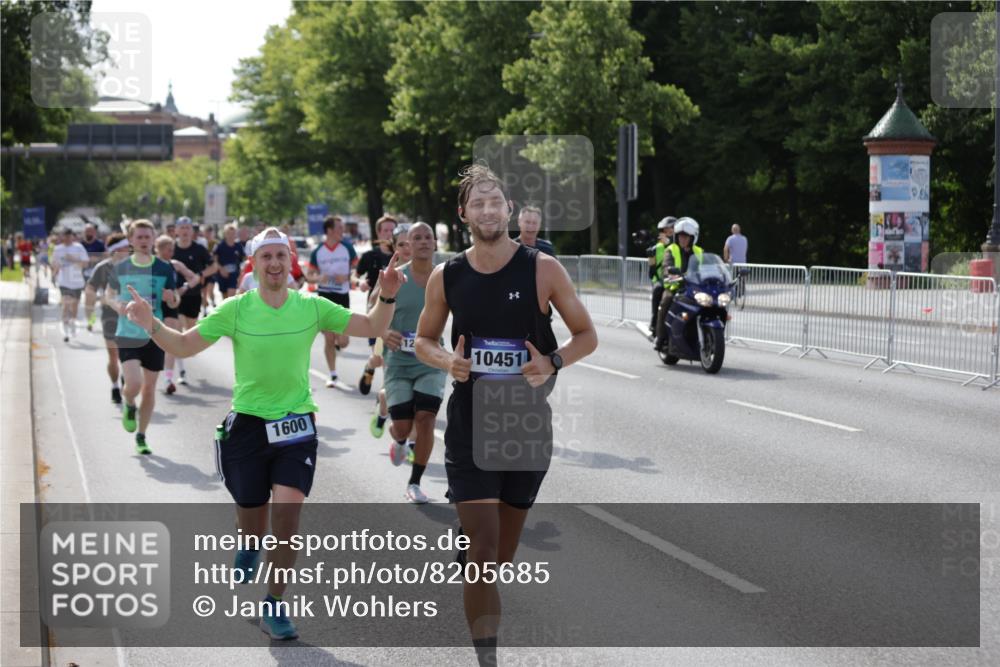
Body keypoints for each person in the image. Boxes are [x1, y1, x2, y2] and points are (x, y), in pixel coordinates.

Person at [122, 226, 405, 640]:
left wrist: (390, 293)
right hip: (248, 428)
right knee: (252, 520)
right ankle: (251, 544)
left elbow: (372, 324)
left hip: (296, 426)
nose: (275, 264)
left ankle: (274, 602)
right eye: (267, 257)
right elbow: (182, 346)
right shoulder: (236, 309)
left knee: (287, 519)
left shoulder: (311, 306)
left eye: (281, 256)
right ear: (254, 263)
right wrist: (151, 325)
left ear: (291, 262)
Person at [415, 165, 597, 667]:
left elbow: (586, 334)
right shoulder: (446, 275)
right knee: (481, 561)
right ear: (463, 213)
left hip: (525, 430)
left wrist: (552, 362)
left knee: (497, 561)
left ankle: (473, 553)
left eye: (496, 201)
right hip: (471, 427)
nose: (488, 210)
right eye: (478, 203)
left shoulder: (542, 269)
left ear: (509, 209)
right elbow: (425, 341)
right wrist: (447, 361)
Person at [369, 223, 444, 503]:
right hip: (399, 362)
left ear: (435, 243)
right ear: (407, 245)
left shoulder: (445, 276)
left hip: (432, 359)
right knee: (402, 426)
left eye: (427, 237)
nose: (423, 242)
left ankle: (414, 483)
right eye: (416, 238)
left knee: (426, 419)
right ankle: (399, 438)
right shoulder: (396, 277)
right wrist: (383, 331)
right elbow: (373, 310)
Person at [103, 220, 178, 454]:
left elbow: (175, 300)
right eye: (140, 237)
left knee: (149, 389)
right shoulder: (121, 268)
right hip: (127, 334)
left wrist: (171, 297)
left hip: (154, 334)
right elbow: (109, 295)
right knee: (134, 384)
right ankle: (128, 402)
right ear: (132, 240)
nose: (144, 241)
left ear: (154, 238)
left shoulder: (165, 268)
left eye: (148, 237)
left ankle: (142, 436)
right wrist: (119, 306)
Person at [306, 216, 357, 388]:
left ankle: (337, 344)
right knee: (329, 338)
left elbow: (357, 269)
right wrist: (320, 277)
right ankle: (333, 374)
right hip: (325, 296)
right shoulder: (318, 251)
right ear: (329, 230)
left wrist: (349, 276)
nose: (342, 231)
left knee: (343, 341)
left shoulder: (347, 248)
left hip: (342, 296)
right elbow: (309, 276)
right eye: (339, 228)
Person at [84, 234, 131, 404]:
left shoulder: (136, 266)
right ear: (117, 250)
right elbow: (89, 289)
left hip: (131, 317)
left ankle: (127, 377)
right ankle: (114, 386)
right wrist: (91, 310)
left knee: (129, 354)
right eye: (126, 247)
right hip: (110, 317)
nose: (129, 250)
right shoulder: (102, 268)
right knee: (113, 356)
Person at [171, 216, 218, 385]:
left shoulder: (199, 249)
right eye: (181, 227)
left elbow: (214, 266)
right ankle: (181, 370)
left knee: (190, 328)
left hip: (193, 295)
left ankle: (186, 350)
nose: (184, 231)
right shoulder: (171, 248)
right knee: (178, 330)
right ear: (176, 230)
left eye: (187, 228)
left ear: (192, 231)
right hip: (174, 296)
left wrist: (200, 276)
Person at [355, 215, 398, 394]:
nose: (389, 234)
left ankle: (386, 397)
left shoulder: (402, 254)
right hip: (376, 313)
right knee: (379, 357)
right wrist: (360, 283)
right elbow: (355, 275)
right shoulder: (370, 256)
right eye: (385, 230)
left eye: (392, 230)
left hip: (398, 314)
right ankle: (370, 366)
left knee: (392, 360)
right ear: (379, 232)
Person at [156, 235, 200, 395]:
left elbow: (195, 277)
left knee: (172, 340)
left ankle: (169, 379)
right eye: (169, 250)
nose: (171, 253)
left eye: (173, 250)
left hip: (172, 304)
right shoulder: (152, 264)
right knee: (151, 342)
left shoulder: (174, 264)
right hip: (153, 306)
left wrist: (184, 288)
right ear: (159, 249)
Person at [653, 217, 704, 352]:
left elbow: (707, 267)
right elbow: (666, 268)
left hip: (694, 288)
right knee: (666, 300)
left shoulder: (699, 252)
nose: (683, 239)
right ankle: (660, 337)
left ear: (692, 238)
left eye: (686, 236)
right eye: (680, 236)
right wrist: (672, 276)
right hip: (675, 287)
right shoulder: (671, 249)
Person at [51, 229, 90, 342]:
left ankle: (72, 322)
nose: (67, 239)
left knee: (74, 306)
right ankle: (65, 331)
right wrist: (55, 271)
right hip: (64, 282)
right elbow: (54, 263)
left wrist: (73, 259)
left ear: (72, 237)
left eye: (69, 236)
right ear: (62, 237)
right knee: (66, 304)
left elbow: (85, 263)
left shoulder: (78, 247)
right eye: (65, 236)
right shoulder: (58, 249)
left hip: (77, 282)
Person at [647, 217, 675, 335]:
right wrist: (651, 257)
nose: (667, 232)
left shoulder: (679, 245)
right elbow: (652, 270)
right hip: (661, 280)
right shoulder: (657, 247)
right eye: (665, 230)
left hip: (676, 279)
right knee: (658, 290)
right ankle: (654, 323)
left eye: (670, 229)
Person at [80, 224, 107, 331]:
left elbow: (106, 257)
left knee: (103, 300)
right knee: (88, 301)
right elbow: (78, 260)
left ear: (94, 232)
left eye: (91, 231)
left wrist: (94, 258)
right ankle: (90, 322)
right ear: (84, 232)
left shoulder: (100, 244)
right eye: (87, 231)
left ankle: (105, 317)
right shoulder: (80, 245)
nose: (89, 233)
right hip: (85, 276)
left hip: (100, 276)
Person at [214, 223, 245, 299]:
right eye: (229, 233)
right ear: (225, 234)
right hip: (222, 274)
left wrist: (241, 273)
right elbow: (215, 260)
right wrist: (221, 269)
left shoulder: (238, 246)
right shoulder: (220, 246)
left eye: (233, 233)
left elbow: (243, 260)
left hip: (234, 275)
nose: (231, 235)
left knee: (231, 297)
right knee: (224, 297)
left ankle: (231, 310)